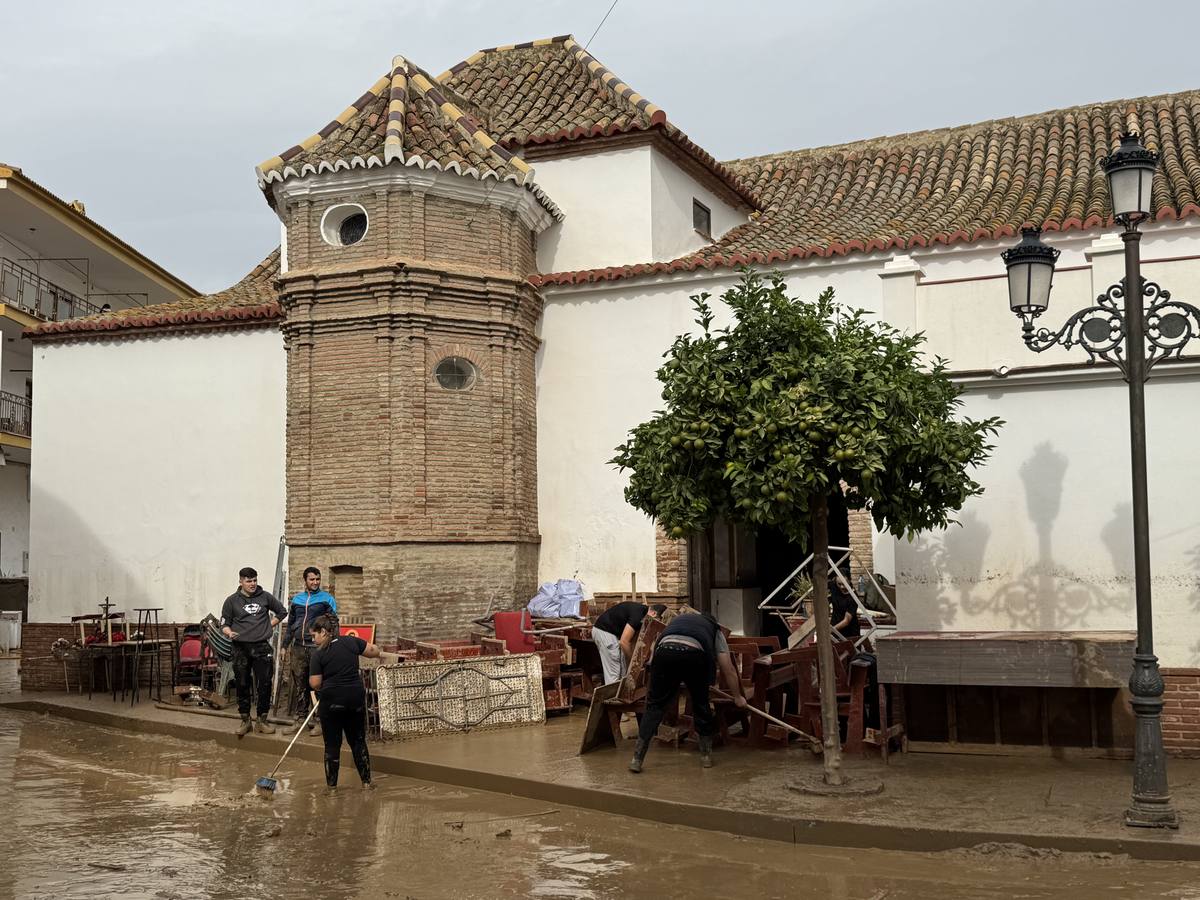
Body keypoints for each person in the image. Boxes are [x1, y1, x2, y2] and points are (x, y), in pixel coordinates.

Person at [629, 611, 747, 773]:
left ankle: (637, 758)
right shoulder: (714, 629)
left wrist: (669, 681)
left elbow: (653, 660)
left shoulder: (674, 624)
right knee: (700, 703)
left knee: (655, 706)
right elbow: (729, 669)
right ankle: (705, 756)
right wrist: (738, 697)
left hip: (664, 652)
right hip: (694, 654)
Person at [308, 614, 380, 791]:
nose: (313, 639)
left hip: (331, 702)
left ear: (324, 632)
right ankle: (366, 783)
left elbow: (315, 683)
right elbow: (374, 651)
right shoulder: (351, 642)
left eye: (314, 635)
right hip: (355, 700)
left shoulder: (318, 655)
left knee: (332, 745)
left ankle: (332, 788)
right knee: (358, 741)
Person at [221, 566, 287, 737]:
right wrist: (229, 632)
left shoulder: (265, 597)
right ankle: (245, 720)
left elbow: (282, 611)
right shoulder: (231, 601)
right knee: (242, 683)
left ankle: (262, 721)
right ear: (241, 581)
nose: (252, 584)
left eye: (254, 580)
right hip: (240, 648)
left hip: (261, 647)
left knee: (264, 683)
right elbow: (224, 624)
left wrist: (268, 626)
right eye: (248, 581)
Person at [283, 566, 337, 735]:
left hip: (317, 648)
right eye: (312, 579)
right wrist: (285, 645)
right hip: (298, 647)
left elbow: (334, 624)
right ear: (305, 580)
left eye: (318, 579)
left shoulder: (327, 599)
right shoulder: (297, 600)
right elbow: (291, 625)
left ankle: (321, 721)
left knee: (319, 685)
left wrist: (332, 646)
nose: (315, 582)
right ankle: (300, 720)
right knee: (300, 685)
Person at [591, 601, 667, 685]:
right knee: (614, 672)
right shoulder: (638, 614)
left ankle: (619, 695)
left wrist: (645, 653)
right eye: (657, 620)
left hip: (612, 634)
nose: (653, 624)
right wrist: (633, 661)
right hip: (604, 632)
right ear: (653, 613)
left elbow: (636, 639)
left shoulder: (643, 615)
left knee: (623, 671)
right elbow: (624, 642)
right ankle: (610, 697)